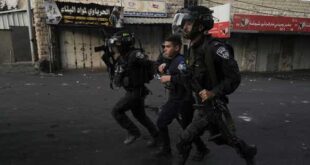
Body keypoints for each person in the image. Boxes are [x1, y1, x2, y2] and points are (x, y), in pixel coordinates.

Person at [171, 6, 257, 165]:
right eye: (184, 24)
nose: (184, 27)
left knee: (183, 140)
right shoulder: (192, 47)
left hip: (211, 107)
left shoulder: (216, 48)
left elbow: (234, 78)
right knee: (222, 139)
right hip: (200, 104)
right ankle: (247, 151)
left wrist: (213, 93)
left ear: (200, 26)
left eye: (188, 23)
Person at [154, 35, 209, 161]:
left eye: (168, 47)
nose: (165, 49)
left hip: (183, 100)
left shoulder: (181, 61)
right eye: (164, 46)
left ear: (177, 47)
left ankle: (166, 150)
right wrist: (159, 67)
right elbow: (156, 64)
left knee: (162, 122)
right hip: (176, 97)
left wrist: (170, 78)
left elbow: (188, 79)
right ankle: (202, 149)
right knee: (187, 127)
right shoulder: (169, 58)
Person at [107, 31, 159, 145]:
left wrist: (159, 70)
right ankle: (157, 136)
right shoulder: (122, 57)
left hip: (136, 92)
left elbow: (150, 63)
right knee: (140, 116)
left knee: (117, 111)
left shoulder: (135, 54)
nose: (114, 48)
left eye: (116, 45)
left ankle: (133, 132)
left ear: (123, 44)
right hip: (132, 91)